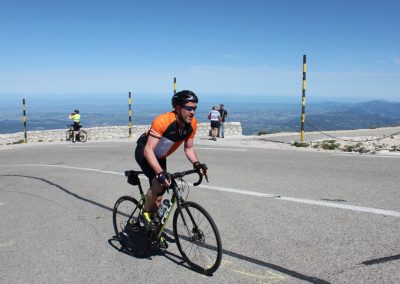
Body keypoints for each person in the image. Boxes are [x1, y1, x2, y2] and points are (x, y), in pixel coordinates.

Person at [134, 90, 208, 247]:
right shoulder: (162, 121)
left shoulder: (192, 124)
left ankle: (152, 230)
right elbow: (148, 150)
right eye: (189, 108)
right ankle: (145, 214)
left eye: (195, 108)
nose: (192, 111)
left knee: (160, 196)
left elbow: (188, 149)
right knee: (158, 183)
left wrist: (197, 164)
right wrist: (160, 173)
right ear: (178, 107)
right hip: (145, 152)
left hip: (160, 157)